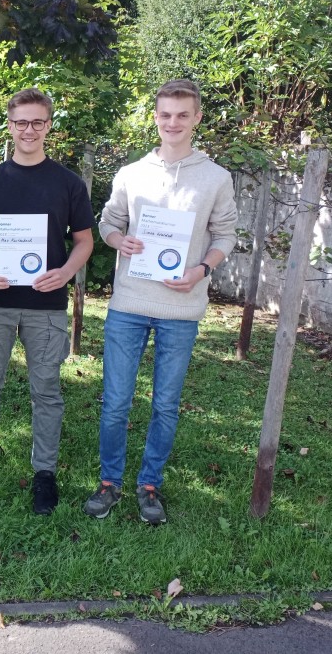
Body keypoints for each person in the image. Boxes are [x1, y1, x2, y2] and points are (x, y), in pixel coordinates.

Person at [85, 79, 237, 525]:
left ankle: (149, 484)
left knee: (165, 405)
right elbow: (108, 222)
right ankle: (109, 481)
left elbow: (225, 235)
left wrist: (201, 270)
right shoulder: (131, 173)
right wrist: (119, 240)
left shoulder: (216, 178)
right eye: (166, 114)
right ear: (155, 117)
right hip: (129, 304)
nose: (173, 122)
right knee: (116, 402)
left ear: (197, 118)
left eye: (182, 114)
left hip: (181, 309)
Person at [0, 88, 94, 515]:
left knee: (46, 390)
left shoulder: (68, 183)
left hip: (47, 305)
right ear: (9, 126)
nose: (29, 130)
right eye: (21, 122)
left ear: (49, 125)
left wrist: (65, 273)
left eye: (37, 122)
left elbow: (84, 241)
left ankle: (44, 472)